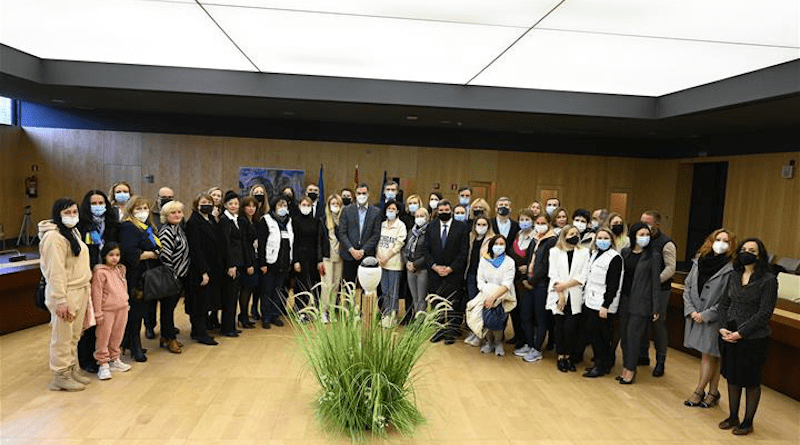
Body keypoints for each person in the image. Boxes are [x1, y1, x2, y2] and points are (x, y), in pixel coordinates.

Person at [717, 238, 777, 436]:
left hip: (753, 337)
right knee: (732, 377)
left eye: (752, 250)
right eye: (743, 249)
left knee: (751, 380)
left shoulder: (768, 279)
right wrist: (722, 327)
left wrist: (741, 333)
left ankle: (747, 422)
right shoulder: (733, 275)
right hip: (729, 332)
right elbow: (724, 304)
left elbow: (765, 312)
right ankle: (733, 416)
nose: (747, 252)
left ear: (760, 255)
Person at [38, 198, 93, 391]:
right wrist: (60, 300)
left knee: (74, 335)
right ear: (57, 215)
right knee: (62, 336)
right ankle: (60, 375)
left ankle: (71, 369)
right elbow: (56, 272)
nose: (72, 216)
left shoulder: (72, 232)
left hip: (80, 289)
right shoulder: (53, 238)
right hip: (65, 293)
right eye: (67, 213)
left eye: (74, 212)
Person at [683, 229, 736, 407]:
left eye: (725, 241)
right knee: (713, 355)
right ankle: (713, 393)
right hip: (695, 313)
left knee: (710, 354)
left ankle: (699, 391)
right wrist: (691, 310)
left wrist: (705, 315)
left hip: (715, 319)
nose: (721, 243)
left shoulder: (731, 267)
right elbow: (688, 286)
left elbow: (726, 298)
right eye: (718, 239)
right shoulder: (699, 262)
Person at [76, 189, 119, 374]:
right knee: (90, 318)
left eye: (101, 203)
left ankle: (104, 355)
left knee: (105, 319)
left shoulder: (111, 225)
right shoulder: (81, 226)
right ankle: (85, 358)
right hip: (88, 276)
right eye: (94, 203)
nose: (98, 206)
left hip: (107, 276)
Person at [618, 222, 662, 384]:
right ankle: (625, 367)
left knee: (633, 336)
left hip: (642, 302)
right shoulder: (625, 252)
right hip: (624, 299)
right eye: (641, 234)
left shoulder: (654, 256)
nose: (644, 238)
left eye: (647, 235)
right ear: (633, 235)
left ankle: (631, 370)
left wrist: (656, 307)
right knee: (624, 336)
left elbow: (656, 283)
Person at [118, 196, 162, 362]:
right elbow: (130, 253)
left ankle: (130, 343)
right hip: (134, 275)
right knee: (135, 313)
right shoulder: (128, 227)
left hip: (146, 274)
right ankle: (134, 346)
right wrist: (151, 254)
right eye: (138, 209)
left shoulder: (147, 227)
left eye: (145, 208)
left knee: (141, 310)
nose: (142, 212)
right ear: (130, 210)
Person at [424, 199, 469, 345]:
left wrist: (451, 268)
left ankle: (451, 332)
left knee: (453, 303)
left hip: (453, 273)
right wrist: (435, 266)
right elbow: (426, 250)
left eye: (446, 210)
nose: (444, 212)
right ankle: (439, 330)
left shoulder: (461, 227)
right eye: (441, 210)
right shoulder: (431, 226)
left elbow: (463, 252)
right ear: (438, 211)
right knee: (437, 303)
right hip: (435, 272)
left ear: (451, 210)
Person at [546, 224, 590, 372]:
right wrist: (560, 295)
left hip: (575, 294)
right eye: (571, 234)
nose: (574, 236)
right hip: (558, 294)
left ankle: (569, 356)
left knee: (571, 328)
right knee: (559, 327)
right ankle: (560, 356)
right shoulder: (555, 251)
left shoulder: (584, 252)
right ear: (564, 236)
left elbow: (583, 276)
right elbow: (553, 274)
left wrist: (564, 286)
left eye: (576, 233)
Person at [639, 210, 677, 377]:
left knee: (658, 324)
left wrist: (654, 281)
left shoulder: (666, 243)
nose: (644, 226)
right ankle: (642, 355)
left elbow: (670, 268)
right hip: (642, 289)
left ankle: (660, 361)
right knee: (642, 322)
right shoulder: (641, 240)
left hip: (660, 290)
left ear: (657, 225)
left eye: (648, 223)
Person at [582, 227, 623, 378]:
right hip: (591, 301)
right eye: (600, 238)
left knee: (602, 337)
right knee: (593, 334)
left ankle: (601, 365)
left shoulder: (615, 257)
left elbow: (613, 285)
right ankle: (601, 364)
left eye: (606, 238)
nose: (602, 241)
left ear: (611, 241)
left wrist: (605, 305)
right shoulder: (594, 254)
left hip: (603, 305)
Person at [519, 212, 558, 362]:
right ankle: (530, 344)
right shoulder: (534, 239)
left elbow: (546, 266)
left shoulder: (552, 241)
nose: (539, 225)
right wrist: (526, 279)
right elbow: (529, 260)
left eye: (543, 223)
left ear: (549, 224)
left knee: (541, 318)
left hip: (541, 284)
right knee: (525, 315)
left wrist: (532, 281)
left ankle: (537, 349)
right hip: (529, 282)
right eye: (538, 223)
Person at [91, 242, 132, 380]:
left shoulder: (120, 270)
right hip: (107, 311)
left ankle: (115, 359)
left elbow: (124, 287)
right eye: (111, 255)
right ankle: (103, 364)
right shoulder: (100, 272)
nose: (114, 258)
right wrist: (98, 312)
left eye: (117, 255)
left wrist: (126, 303)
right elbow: (96, 293)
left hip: (122, 308)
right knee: (103, 337)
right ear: (104, 256)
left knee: (117, 335)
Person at [184, 193, 221, 345]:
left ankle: (199, 330)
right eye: (203, 202)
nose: (207, 205)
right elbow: (195, 249)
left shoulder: (211, 219)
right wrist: (203, 271)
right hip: (200, 268)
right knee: (199, 303)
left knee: (206, 300)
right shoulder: (193, 222)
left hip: (212, 266)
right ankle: (200, 333)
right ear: (196, 204)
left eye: (209, 202)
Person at [157, 200, 190, 353]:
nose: (177, 215)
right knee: (168, 309)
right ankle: (170, 338)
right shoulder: (166, 231)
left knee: (169, 308)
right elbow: (165, 257)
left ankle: (165, 336)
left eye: (179, 212)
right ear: (165, 215)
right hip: (171, 277)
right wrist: (173, 277)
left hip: (180, 275)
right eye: (173, 212)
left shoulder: (178, 229)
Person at [475, 235, 517, 356]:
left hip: (503, 295)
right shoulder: (484, 259)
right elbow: (480, 279)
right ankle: (489, 342)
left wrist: (494, 297)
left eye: (501, 244)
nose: (498, 246)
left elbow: (507, 283)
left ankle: (498, 342)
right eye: (496, 244)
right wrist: (487, 293)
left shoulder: (509, 262)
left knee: (498, 321)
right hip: (486, 293)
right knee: (487, 320)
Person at [144, 186, 176, 339]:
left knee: (169, 299)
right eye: (164, 197)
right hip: (154, 263)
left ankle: (167, 327)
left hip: (171, 265)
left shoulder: (175, 213)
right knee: (152, 299)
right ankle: (150, 326)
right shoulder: (150, 215)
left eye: (170, 197)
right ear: (157, 197)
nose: (167, 199)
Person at [257, 196, 294, 329]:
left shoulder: (289, 221)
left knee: (278, 291)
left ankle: (275, 315)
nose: (282, 208)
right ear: (274, 206)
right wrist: (262, 264)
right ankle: (265, 317)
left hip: (283, 263)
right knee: (267, 291)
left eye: (285, 205)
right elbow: (261, 244)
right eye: (280, 205)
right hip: (269, 263)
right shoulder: (266, 220)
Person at [217, 191, 249, 337]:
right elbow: (226, 245)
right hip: (231, 265)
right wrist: (230, 265)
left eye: (236, 203)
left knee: (234, 296)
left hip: (239, 263)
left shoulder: (237, 219)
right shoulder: (224, 220)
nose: (234, 206)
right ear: (225, 205)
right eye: (231, 204)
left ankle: (231, 325)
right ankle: (226, 328)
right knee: (229, 297)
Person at [337, 183, 382, 286]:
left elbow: (376, 234)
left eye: (364, 193)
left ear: (368, 194)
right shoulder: (347, 210)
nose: (361, 195)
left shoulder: (376, 212)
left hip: (367, 256)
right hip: (349, 255)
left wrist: (362, 250)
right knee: (348, 287)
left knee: (366, 288)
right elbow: (342, 233)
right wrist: (352, 250)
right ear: (355, 195)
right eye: (359, 193)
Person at [463, 216, 495, 347]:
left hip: (484, 277)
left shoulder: (492, 239)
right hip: (471, 273)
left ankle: (481, 335)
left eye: (484, 224)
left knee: (482, 305)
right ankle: (474, 331)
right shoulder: (471, 237)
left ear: (488, 226)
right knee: (473, 304)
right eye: (479, 224)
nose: (481, 227)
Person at [377, 200, 407, 326]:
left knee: (393, 292)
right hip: (381, 263)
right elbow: (377, 241)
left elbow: (399, 244)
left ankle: (393, 316)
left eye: (393, 209)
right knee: (384, 291)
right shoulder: (382, 224)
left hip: (394, 264)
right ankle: (386, 314)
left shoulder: (401, 225)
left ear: (398, 211)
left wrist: (387, 257)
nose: (390, 211)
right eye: (388, 209)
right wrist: (378, 257)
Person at [509, 209, 535, 353]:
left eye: (527, 219)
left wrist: (530, 266)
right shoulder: (518, 234)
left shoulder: (535, 237)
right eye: (522, 219)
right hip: (514, 276)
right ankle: (518, 336)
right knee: (515, 309)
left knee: (526, 312)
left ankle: (527, 340)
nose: (524, 222)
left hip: (527, 278)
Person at [292, 195, 323, 315]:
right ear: (299, 206)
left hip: (313, 258)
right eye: (303, 205)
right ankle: (300, 310)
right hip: (300, 257)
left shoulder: (316, 221)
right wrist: (295, 261)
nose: (306, 207)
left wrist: (319, 259)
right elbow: (294, 242)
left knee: (314, 284)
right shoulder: (295, 221)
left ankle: (313, 309)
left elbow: (318, 241)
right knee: (301, 285)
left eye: (308, 205)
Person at [320, 194, 344, 323]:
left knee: (335, 286)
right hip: (327, 256)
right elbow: (319, 241)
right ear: (328, 206)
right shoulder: (323, 220)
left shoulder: (343, 220)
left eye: (337, 204)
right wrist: (319, 260)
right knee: (326, 285)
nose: (334, 206)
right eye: (332, 204)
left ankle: (331, 311)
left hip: (340, 257)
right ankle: (323, 311)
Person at [403, 206, 431, 317]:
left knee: (421, 299)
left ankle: (421, 323)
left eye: (422, 216)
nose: (419, 218)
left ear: (427, 218)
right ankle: (415, 322)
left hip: (422, 269)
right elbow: (405, 249)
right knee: (414, 298)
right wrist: (407, 262)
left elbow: (428, 253)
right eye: (417, 216)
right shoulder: (411, 232)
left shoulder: (429, 232)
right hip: (410, 268)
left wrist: (416, 264)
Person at [239, 196, 261, 326]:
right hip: (247, 261)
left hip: (254, 258)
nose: (251, 208)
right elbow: (245, 245)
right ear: (243, 208)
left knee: (251, 288)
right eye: (248, 206)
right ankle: (243, 316)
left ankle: (245, 316)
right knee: (245, 290)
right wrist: (249, 264)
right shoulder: (242, 221)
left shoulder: (254, 221)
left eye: (254, 206)